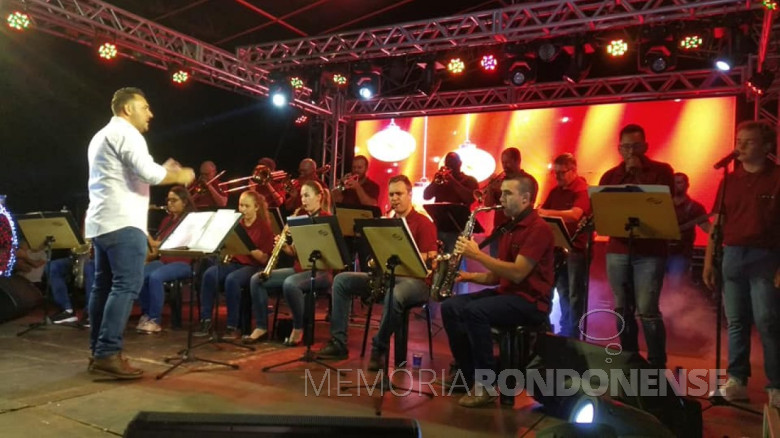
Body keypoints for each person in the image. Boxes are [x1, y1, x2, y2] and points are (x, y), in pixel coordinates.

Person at [85, 87, 195, 379]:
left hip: (102, 224)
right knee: (125, 286)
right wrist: (180, 175)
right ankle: (108, 352)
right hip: (123, 224)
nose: (151, 113)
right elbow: (149, 174)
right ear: (127, 109)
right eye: (145, 107)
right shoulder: (128, 134)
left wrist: (161, 169)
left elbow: (133, 173)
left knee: (103, 287)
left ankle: (97, 351)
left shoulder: (101, 136)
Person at [441, 172, 554, 407]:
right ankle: (468, 374)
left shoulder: (538, 228)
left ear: (525, 198)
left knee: (476, 311)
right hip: (509, 294)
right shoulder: (507, 228)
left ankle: (487, 384)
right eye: (501, 192)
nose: (500, 198)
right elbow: (497, 275)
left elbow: (518, 272)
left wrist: (476, 255)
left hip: (531, 302)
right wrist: (467, 276)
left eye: (507, 193)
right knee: (451, 306)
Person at [316, 175, 438, 362]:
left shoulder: (424, 222)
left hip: (416, 281)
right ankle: (338, 343)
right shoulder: (385, 222)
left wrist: (403, 255)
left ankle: (379, 346)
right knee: (342, 281)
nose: (394, 198)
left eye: (399, 194)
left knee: (395, 293)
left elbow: (431, 258)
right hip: (385, 277)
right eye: (391, 195)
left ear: (410, 194)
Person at [704, 121, 780, 407]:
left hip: (767, 256)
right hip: (732, 255)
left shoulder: (777, 178)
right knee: (736, 322)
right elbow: (718, 223)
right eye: (738, 140)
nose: (740, 146)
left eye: (748, 141)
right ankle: (737, 379)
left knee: (768, 322)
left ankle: (776, 385)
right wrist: (709, 261)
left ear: (767, 146)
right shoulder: (729, 180)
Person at [598, 123, 674, 369]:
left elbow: (664, 205)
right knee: (622, 308)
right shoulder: (610, 176)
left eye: (636, 146)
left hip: (650, 252)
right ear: (619, 148)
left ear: (646, 146)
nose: (631, 152)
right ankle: (628, 359)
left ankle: (656, 364)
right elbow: (602, 212)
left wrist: (639, 174)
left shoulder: (662, 171)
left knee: (648, 309)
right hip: (618, 249)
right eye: (626, 147)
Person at [246, 180, 332, 345]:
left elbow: (330, 252)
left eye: (307, 196)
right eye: (302, 196)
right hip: (299, 269)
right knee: (257, 280)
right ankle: (262, 326)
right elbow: (294, 252)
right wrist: (284, 245)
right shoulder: (300, 218)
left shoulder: (327, 220)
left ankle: (298, 327)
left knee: (290, 284)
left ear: (319, 197)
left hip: (321, 271)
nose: (303, 200)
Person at [195, 191, 274, 338]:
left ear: (256, 207)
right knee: (209, 274)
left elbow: (264, 259)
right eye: (240, 205)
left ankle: (233, 326)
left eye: (247, 206)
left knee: (232, 280)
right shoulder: (237, 225)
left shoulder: (263, 228)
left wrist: (251, 251)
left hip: (252, 267)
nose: (242, 209)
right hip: (235, 263)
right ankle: (205, 320)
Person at [538, 153, 590, 338]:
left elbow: (575, 215)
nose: (558, 177)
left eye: (561, 173)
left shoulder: (582, 190)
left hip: (576, 249)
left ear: (573, 170)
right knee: (560, 290)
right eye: (555, 173)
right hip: (558, 248)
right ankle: (563, 329)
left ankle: (573, 332)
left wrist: (545, 212)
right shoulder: (556, 191)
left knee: (575, 294)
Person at [136, 185, 197, 334]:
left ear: (184, 202)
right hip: (165, 261)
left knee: (156, 277)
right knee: (138, 275)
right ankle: (147, 313)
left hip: (183, 263)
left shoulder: (189, 221)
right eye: (168, 200)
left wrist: (146, 234)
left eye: (174, 200)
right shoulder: (166, 221)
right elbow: (157, 248)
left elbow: (170, 244)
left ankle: (155, 320)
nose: (170, 203)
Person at [667, 172, 711, 286]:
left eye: (679, 182)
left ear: (687, 185)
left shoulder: (695, 207)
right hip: (658, 253)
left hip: (680, 254)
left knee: (675, 289)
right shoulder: (661, 204)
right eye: (673, 183)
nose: (676, 185)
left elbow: (708, 228)